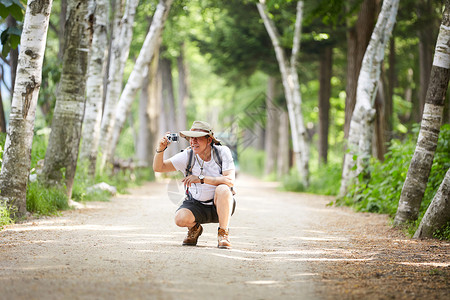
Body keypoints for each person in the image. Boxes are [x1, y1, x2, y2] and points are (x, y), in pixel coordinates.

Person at [153, 121, 236, 249]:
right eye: (191, 138)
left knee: (223, 189)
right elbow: (159, 168)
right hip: (196, 204)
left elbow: (230, 180)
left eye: (197, 138)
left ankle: (223, 234)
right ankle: (194, 229)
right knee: (180, 219)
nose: (193, 142)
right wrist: (160, 149)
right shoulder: (187, 155)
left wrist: (201, 178)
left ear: (209, 140)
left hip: (219, 205)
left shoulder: (222, 152)